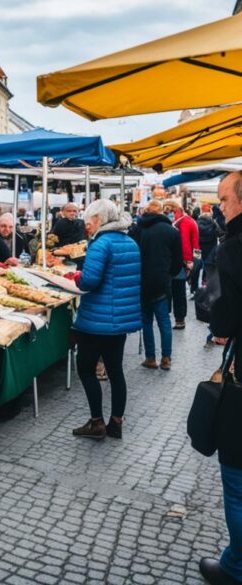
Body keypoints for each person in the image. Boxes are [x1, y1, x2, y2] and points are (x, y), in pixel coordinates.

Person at [68, 199, 141, 441]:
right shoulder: (130, 242)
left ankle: (96, 421)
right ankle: (116, 423)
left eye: (88, 222)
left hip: (96, 320)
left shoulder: (100, 244)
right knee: (116, 370)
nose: (86, 227)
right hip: (120, 320)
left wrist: (76, 276)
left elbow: (90, 281)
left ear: (99, 219)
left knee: (86, 368)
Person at [203, 171, 242, 585]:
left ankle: (235, 566)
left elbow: (225, 323)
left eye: (224, 200)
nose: (221, 208)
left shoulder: (233, 247)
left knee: (236, 477)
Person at [131, 199, 182, 371]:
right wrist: (169, 274)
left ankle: (150, 357)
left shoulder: (138, 229)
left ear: (146, 211)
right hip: (162, 281)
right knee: (164, 321)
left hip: (142, 280)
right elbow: (177, 262)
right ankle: (166, 358)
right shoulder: (172, 231)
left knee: (146, 320)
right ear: (161, 212)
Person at [166, 199, 199, 329]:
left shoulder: (182, 223)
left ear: (174, 211)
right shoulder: (190, 220)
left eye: (169, 211)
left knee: (177, 291)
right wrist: (196, 260)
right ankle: (180, 318)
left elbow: (184, 243)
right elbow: (196, 244)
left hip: (180, 261)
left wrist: (188, 261)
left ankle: (179, 319)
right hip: (190, 258)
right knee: (179, 290)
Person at [195, 205, 222, 291]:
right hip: (211, 248)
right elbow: (220, 233)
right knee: (208, 265)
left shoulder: (197, 222)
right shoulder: (213, 222)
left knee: (196, 266)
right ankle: (205, 283)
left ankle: (194, 288)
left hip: (198, 248)